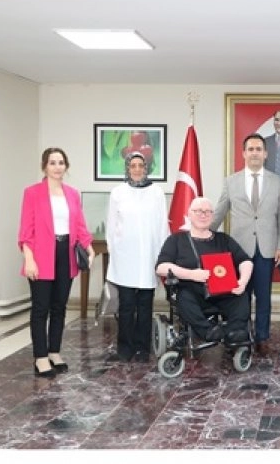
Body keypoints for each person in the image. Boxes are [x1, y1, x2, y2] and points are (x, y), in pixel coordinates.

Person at [18, 147, 95, 377]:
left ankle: (54, 352)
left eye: (61, 162)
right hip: (41, 254)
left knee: (60, 307)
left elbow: (80, 225)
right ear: (44, 166)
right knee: (41, 308)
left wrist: (89, 248)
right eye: (52, 163)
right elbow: (26, 229)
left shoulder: (73, 194)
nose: (57, 167)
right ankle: (41, 357)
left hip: (66, 252)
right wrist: (29, 259)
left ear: (66, 166)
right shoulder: (32, 193)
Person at [212, 133, 280, 356]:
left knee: (263, 297)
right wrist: (201, 233)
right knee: (239, 297)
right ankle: (241, 336)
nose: (255, 153)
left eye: (259, 149)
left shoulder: (276, 181)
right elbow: (219, 212)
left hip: (267, 249)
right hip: (239, 250)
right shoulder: (231, 181)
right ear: (244, 153)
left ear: (265, 154)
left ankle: (262, 338)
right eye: (251, 149)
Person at [155, 197, 254, 346]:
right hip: (193, 293)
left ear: (212, 216)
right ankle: (207, 331)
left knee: (241, 295)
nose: (203, 215)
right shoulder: (176, 240)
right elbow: (161, 267)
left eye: (208, 212)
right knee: (183, 296)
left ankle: (235, 332)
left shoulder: (223, 239)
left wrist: (243, 281)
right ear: (189, 214)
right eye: (198, 211)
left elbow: (245, 261)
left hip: (222, 292)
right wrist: (191, 274)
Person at [105, 152, 169, 363]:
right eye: (133, 165)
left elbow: (162, 225)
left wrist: (162, 255)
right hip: (125, 257)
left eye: (141, 165)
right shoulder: (117, 193)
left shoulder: (157, 193)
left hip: (149, 256)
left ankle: (142, 348)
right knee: (126, 305)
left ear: (146, 168)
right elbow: (112, 226)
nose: (137, 169)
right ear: (127, 168)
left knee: (145, 305)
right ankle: (125, 348)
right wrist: (115, 253)